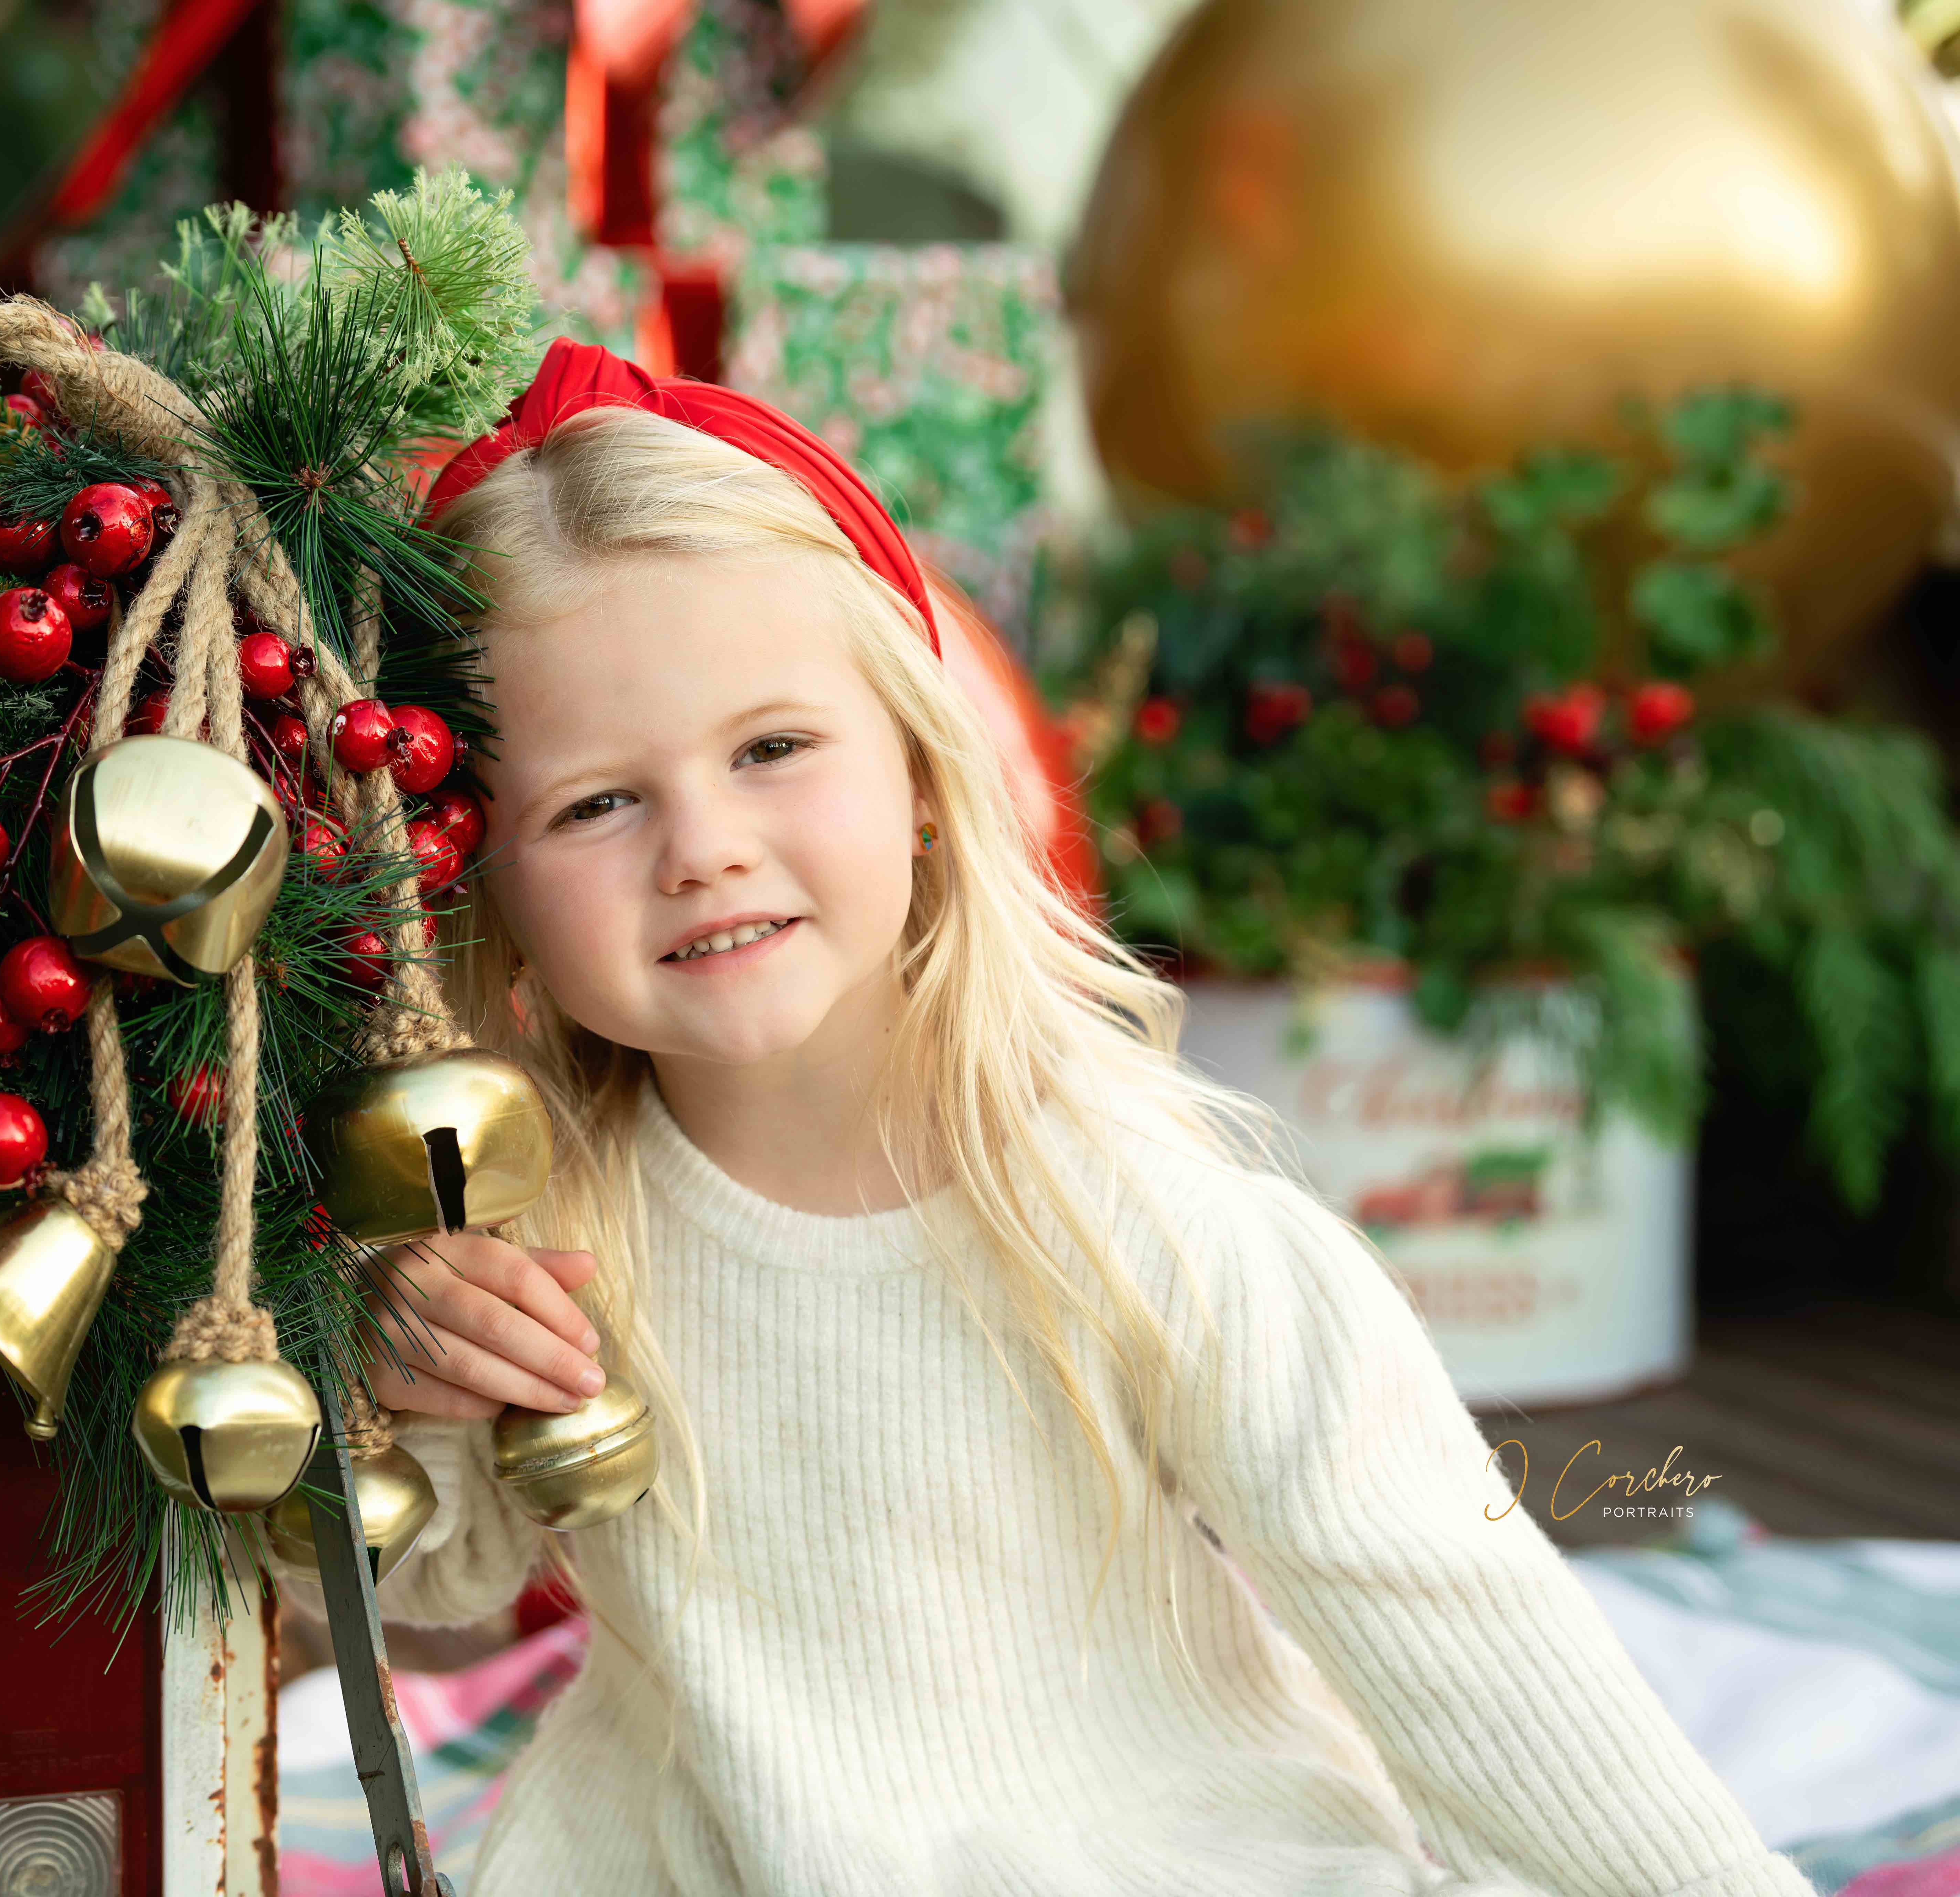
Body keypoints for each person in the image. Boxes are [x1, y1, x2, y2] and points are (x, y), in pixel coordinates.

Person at [284, 339, 1812, 1897]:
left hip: (1155, 1848)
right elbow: (426, 1567)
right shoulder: (540, 1215)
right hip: (698, 1849)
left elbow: (1475, 1639)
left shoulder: (1140, 1214)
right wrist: (399, 1379)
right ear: (490, 882)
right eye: (597, 801)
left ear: (924, 773)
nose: (704, 849)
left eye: (773, 750)